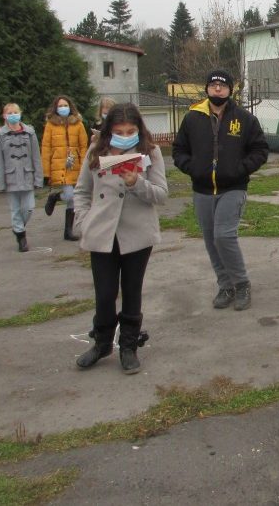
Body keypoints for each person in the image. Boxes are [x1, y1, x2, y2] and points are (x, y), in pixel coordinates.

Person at [72, 102, 168, 374]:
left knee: (132, 291)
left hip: (137, 233)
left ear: (139, 129)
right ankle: (101, 343)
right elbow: (81, 191)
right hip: (102, 233)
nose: (125, 136)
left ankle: (128, 347)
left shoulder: (150, 151)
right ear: (108, 130)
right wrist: (83, 222)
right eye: (119, 131)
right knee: (104, 294)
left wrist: (135, 183)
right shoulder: (96, 150)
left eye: (130, 130)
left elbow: (161, 194)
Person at [172, 69, 268, 311]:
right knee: (210, 240)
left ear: (230, 90)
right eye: (213, 84)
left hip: (233, 187)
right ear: (206, 88)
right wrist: (191, 167)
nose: (217, 89)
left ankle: (242, 284)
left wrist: (240, 169)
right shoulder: (193, 117)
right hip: (202, 189)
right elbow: (179, 150)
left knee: (223, 236)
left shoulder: (244, 119)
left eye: (222, 85)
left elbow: (260, 150)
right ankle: (225, 285)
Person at [0, 103, 43, 252]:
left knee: (29, 208)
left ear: (20, 113)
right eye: (10, 113)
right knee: (15, 209)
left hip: (27, 175)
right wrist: (0, 182)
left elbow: (36, 156)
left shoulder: (30, 132)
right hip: (11, 176)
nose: (13, 115)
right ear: (4, 116)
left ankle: (18, 227)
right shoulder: (0, 134)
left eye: (16, 112)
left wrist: (38, 178)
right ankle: (21, 236)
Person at [41, 95, 89, 241]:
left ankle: (68, 231)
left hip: (75, 165)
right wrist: (46, 171)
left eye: (65, 105)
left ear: (70, 106)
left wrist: (84, 165)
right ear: (56, 108)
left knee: (74, 199)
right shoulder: (50, 125)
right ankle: (54, 196)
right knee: (69, 195)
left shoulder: (78, 124)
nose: (63, 108)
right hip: (59, 165)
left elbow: (83, 146)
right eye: (60, 106)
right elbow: (46, 147)